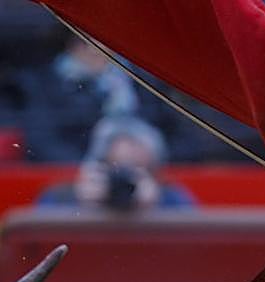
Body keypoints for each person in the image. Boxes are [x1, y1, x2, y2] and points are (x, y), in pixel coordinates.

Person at [17, 34, 141, 162]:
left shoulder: (133, 78)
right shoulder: (44, 83)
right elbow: (41, 137)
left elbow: (154, 117)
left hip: (137, 157)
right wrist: (82, 166)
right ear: (73, 48)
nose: (99, 57)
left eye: (107, 50)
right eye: (92, 49)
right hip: (71, 165)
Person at [36, 115, 195, 211]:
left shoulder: (173, 198)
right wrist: (80, 206)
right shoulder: (60, 196)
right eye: (115, 169)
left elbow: (193, 248)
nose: (123, 181)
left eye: (136, 170)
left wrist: (156, 208)